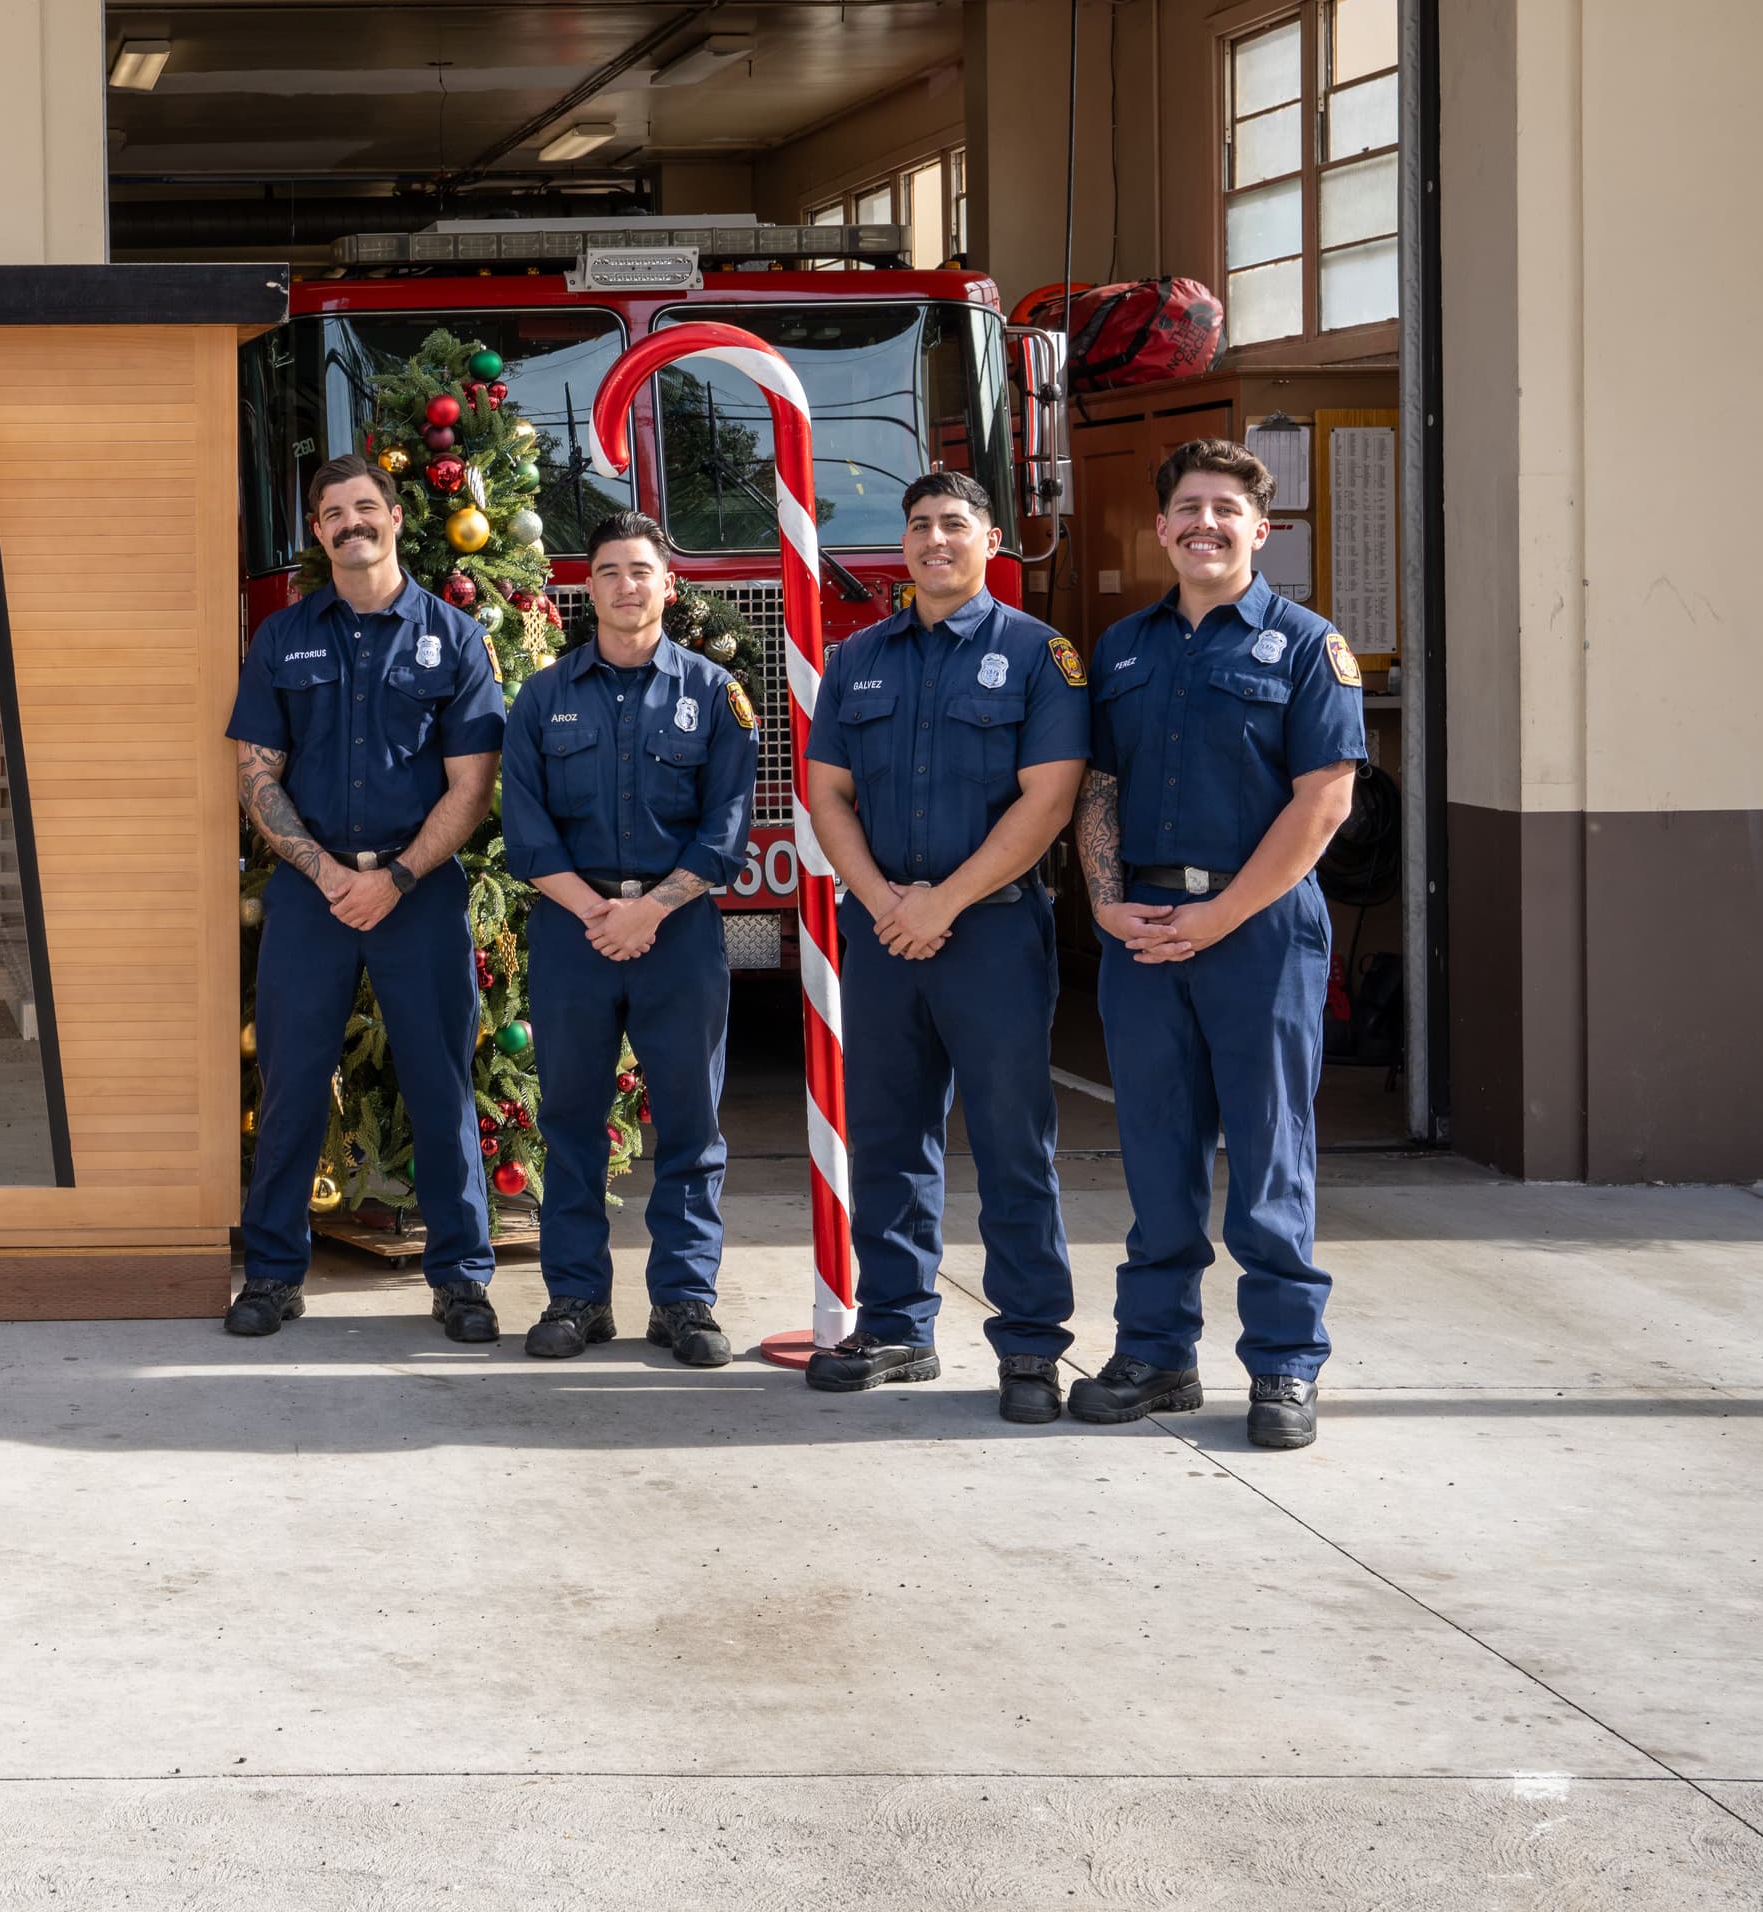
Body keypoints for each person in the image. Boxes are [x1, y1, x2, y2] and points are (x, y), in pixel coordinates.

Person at [1070, 439, 1363, 1451]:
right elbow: (1098, 785)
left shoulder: (1307, 645)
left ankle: (1284, 1365)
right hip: (1144, 930)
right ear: (1160, 528)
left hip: (1261, 935)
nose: (1205, 521)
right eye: (1187, 505)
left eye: (1226, 507)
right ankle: (1156, 1353)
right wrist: (1107, 904)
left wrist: (1223, 914)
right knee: (1156, 1155)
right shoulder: (1119, 649)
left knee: (1271, 1155)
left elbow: (1325, 800)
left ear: (1259, 527)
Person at [798, 469, 1090, 1422]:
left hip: (993, 934)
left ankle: (1031, 1348)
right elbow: (827, 792)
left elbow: (1048, 801)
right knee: (887, 1135)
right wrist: (886, 901)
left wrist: (944, 904)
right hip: (882, 933)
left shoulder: (1041, 656)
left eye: (954, 525)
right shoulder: (859, 660)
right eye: (919, 525)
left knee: (1012, 1142)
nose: (934, 540)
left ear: (992, 540)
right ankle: (896, 1327)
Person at [224, 455, 508, 1343]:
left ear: (394, 517)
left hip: (416, 891)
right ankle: (272, 1275)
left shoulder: (455, 639)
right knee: (292, 1084)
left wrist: (393, 879)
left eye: (365, 508)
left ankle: (461, 1278)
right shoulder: (283, 637)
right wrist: (327, 875)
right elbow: (256, 774)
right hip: (311, 896)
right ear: (318, 532)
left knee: (440, 1085)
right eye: (333, 513)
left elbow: (472, 783)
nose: (351, 523)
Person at [494, 511, 754, 1366]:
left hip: (677, 932)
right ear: (590, 588)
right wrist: (601, 913)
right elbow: (528, 835)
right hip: (574, 930)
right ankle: (576, 1298)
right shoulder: (542, 697)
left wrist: (649, 911)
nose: (625, 585)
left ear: (666, 586)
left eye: (641, 570)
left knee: (689, 1121)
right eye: (608, 571)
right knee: (569, 1118)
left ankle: (684, 1300)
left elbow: (724, 830)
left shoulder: (714, 696)